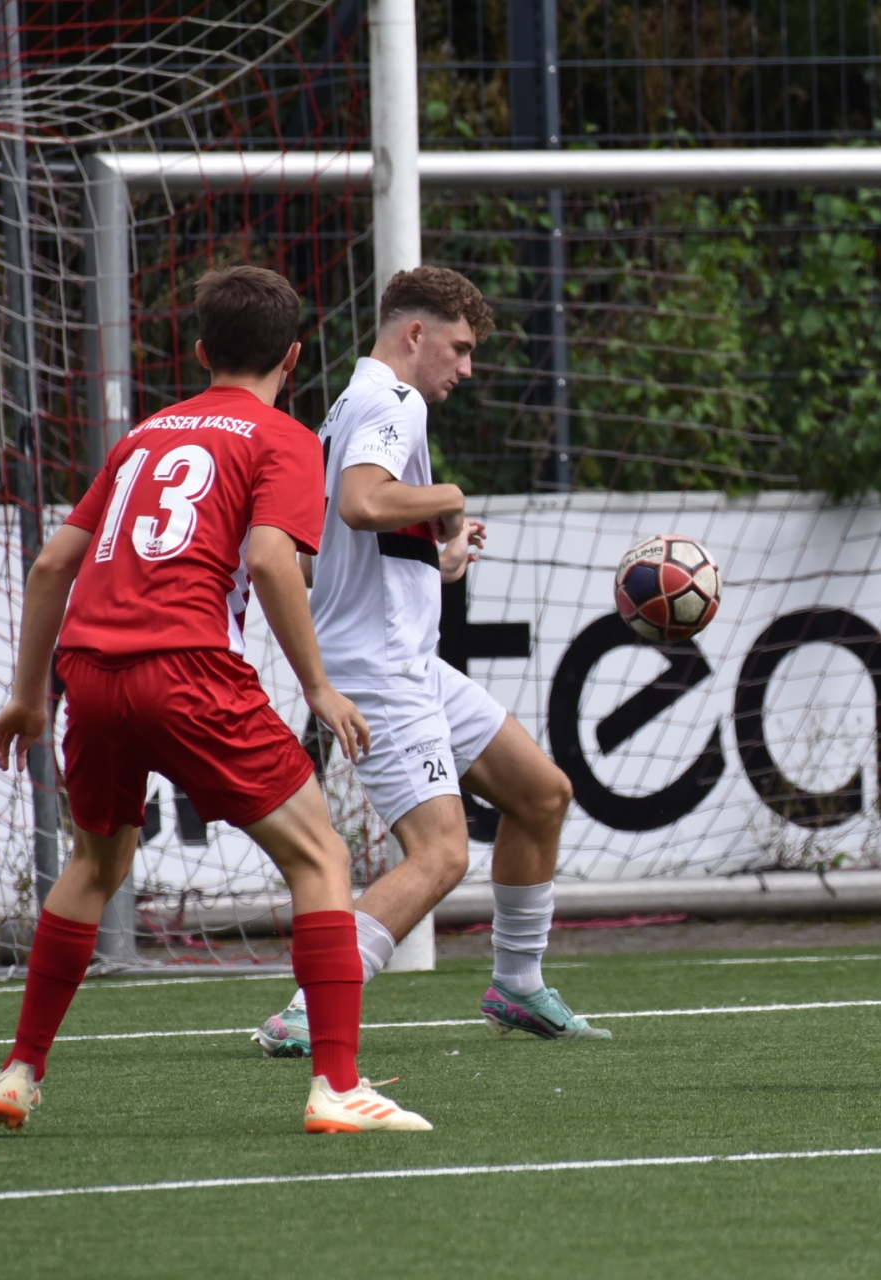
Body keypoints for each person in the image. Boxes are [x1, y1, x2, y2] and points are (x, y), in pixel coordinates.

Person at [0, 266, 428, 1132]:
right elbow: (269, 559)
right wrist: (318, 687)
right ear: (294, 357)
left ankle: (18, 1070)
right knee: (321, 858)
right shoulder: (282, 437)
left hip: (90, 671)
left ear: (199, 352)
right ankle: (338, 1087)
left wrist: (28, 696)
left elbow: (50, 565)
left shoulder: (144, 435)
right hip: (188, 668)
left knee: (95, 866)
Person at [253, 266, 604, 1056]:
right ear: (416, 335)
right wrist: (447, 498)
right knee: (442, 851)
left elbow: (327, 554)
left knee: (542, 794)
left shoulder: (348, 406)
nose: (467, 368)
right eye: (461, 348)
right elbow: (362, 504)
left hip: (405, 660)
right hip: (381, 671)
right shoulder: (393, 400)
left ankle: (517, 985)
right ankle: (310, 1008)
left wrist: (435, 561)